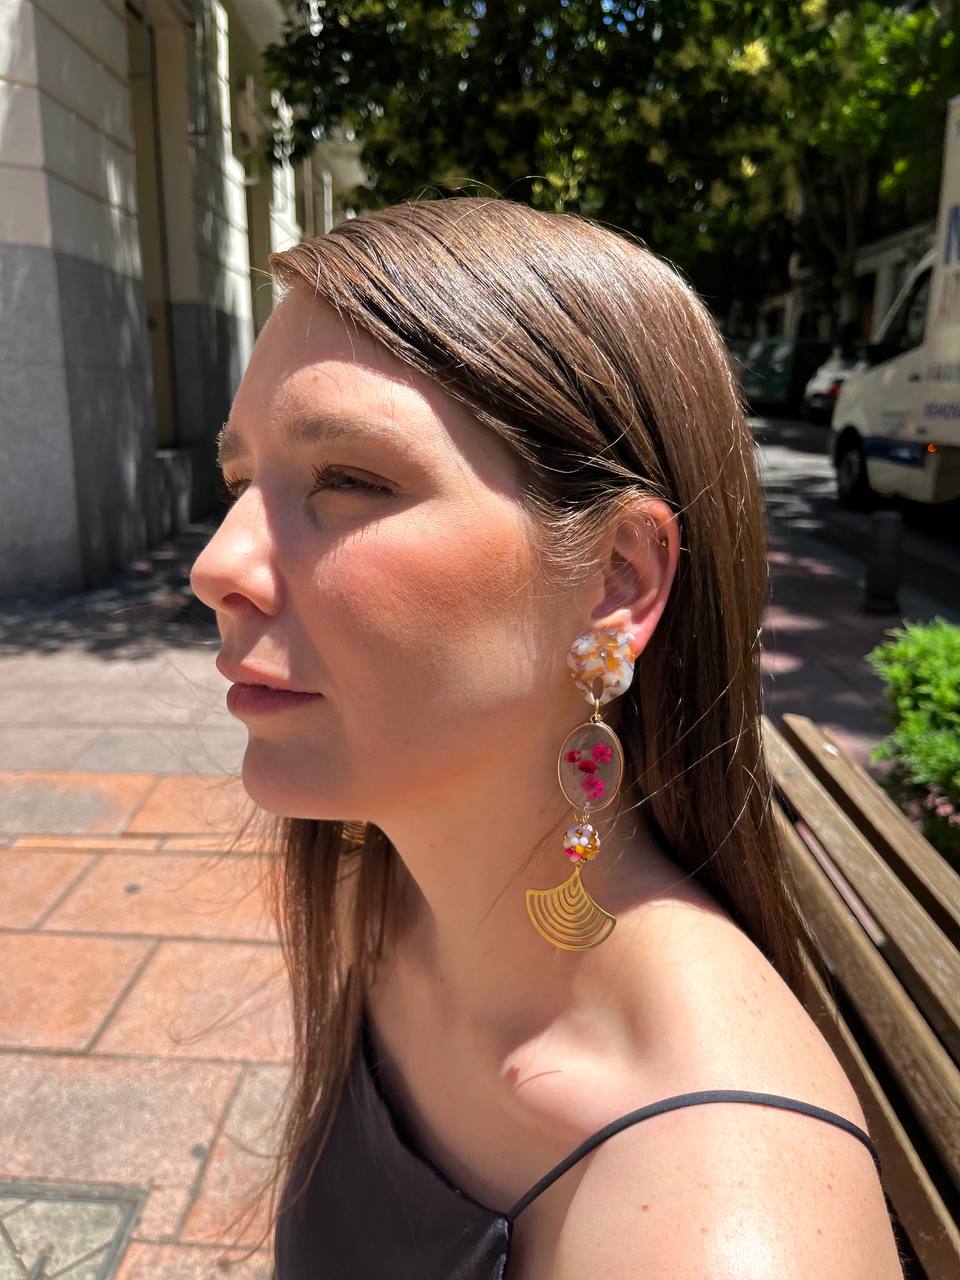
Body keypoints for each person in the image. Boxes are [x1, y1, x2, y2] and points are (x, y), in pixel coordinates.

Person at [189, 196, 904, 1278]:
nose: (217, 565)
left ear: (616, 580)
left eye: (349, 480)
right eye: (242, 482)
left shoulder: (713, 1226)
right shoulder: (394, 898)